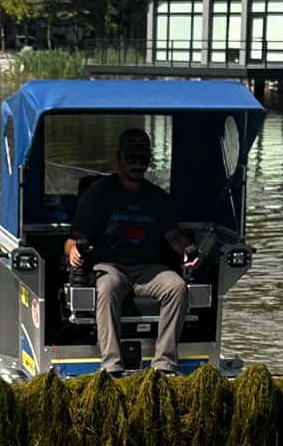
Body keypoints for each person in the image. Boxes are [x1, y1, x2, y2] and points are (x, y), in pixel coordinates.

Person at [65, 128, 198, 376]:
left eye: (143, 159)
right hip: (109, 265)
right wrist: (73, 250)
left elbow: (174, 236)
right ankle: (112, 366)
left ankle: (164, 365)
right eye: (131, 158)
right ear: (119, 158)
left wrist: (188, 252)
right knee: (107, 286)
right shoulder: (99, 193)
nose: (138, 164)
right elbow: (74, 238)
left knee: (177, 286)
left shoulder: (158, 197)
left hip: (147, 268)